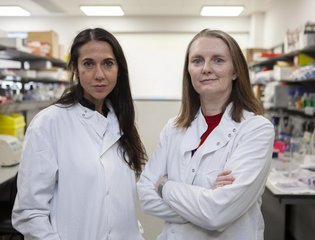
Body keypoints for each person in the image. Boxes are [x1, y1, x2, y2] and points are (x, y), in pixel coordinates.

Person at [137, 29, 275, 240]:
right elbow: (146, 195)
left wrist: (165, 186)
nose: (206, 69)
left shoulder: (256, 130)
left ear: (235, 71)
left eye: (218, 60)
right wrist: (205, 195)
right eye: (197, 61)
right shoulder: (173, 128)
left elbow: (217, 213)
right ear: (189, 70)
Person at [12, 28, 147, 240]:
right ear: (75, 67)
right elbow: (30, 213)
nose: (99, 74)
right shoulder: (48, 124)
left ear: (119, 69)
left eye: (108, 63)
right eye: (88, 63)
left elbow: (120, 200)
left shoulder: (123, 120)